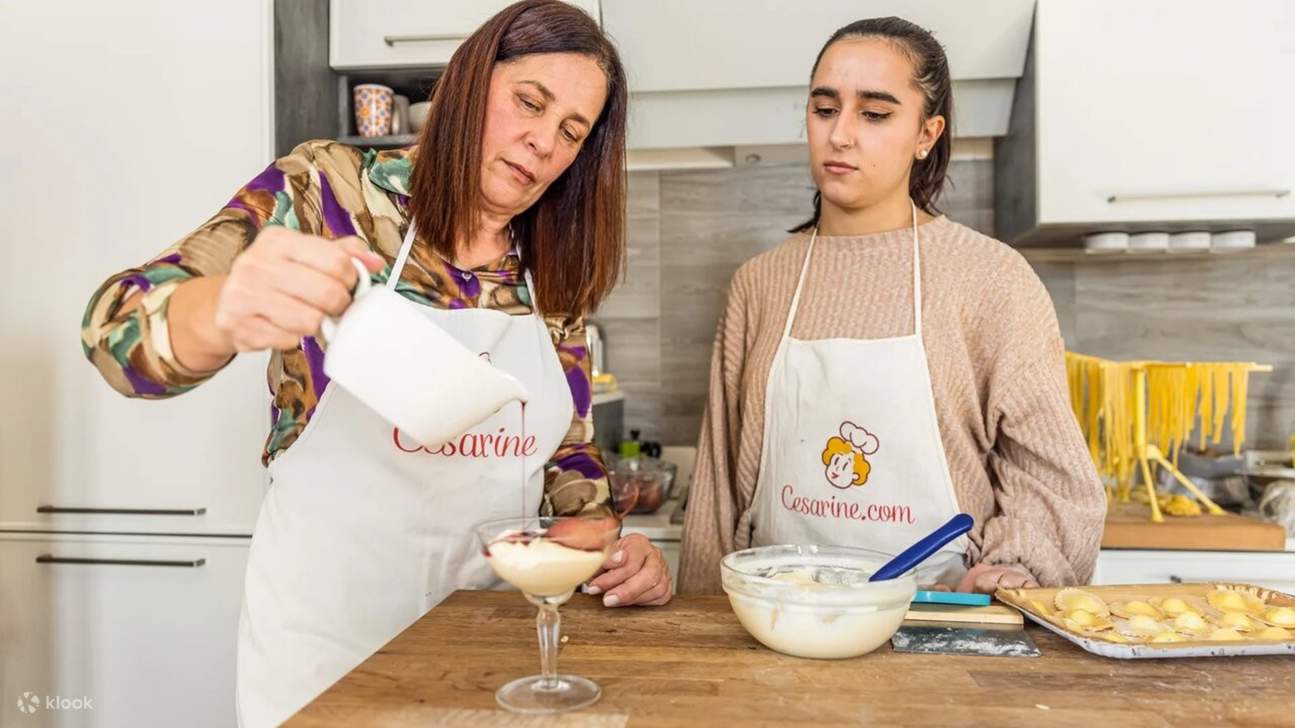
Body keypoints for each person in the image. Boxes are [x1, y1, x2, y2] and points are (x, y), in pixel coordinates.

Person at [80, 2, 671, 724]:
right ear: (469, 82)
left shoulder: (549, 266)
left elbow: (566, 450)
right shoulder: (327, 192)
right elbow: (116, 332)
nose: (543, 142)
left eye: (571, 132)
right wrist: (223, 309)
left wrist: (608, 548)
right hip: (326, 647)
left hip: (484, 649)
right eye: (529, 102)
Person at [679, 17, 1105, 596]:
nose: (840, 134)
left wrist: (1015, 565)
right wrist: (700, 622)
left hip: (937, 619)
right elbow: (718, 487)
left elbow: (1054, 478)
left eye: (875, 114)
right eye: (824, 109)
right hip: (779, 618)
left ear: (926, 134)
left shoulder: (992, 279)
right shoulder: (760, 283)